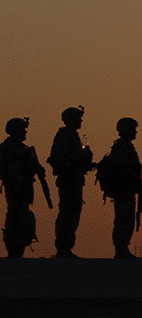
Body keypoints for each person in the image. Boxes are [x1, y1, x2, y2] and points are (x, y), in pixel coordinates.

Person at [47, 106, 92, 258]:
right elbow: (62, 160)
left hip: (75, 180)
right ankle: (62, 248)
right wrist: (81, 156)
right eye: (78, 118)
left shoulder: (73, 135)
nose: (80, 121)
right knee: (67, 213)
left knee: (73, 214)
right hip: (68, 180)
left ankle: (66, 248)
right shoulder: (64, 135)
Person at [100, 117, 142, 259]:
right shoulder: (121, 148)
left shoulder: (125, 147)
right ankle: (121, 248)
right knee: (123, 218)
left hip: (127, 188)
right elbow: (124, 168)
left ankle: (122, 248)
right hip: (123, 189)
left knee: (127, 218)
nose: (135, 133)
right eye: (133, 130)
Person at [0, 118, 45, 257]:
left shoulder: (21, 147)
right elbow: (14, 170)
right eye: (22, 129)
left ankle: (18, 247)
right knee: (16, 215)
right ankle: (14, 247)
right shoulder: (12, 148)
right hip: (17, 187)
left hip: (23, 187)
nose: (25, 132)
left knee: (21, 215)